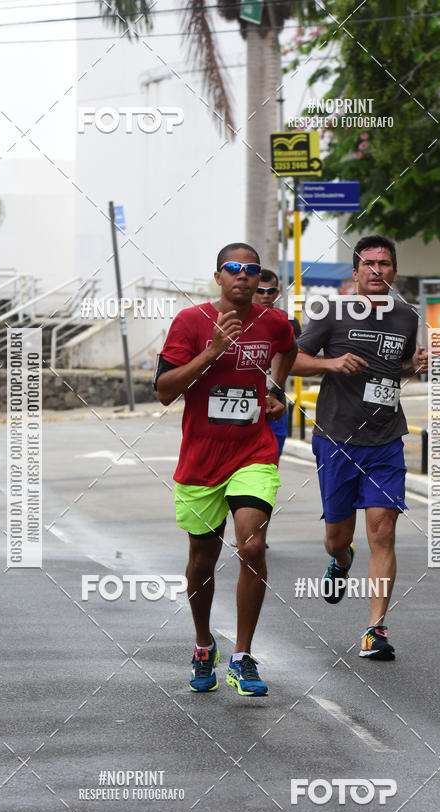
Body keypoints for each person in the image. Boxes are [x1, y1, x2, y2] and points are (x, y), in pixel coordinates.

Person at [155, 243, 297, 695]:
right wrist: (212, 351)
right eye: (233, 269)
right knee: (202, 561)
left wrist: (275, 390)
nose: (243, 276)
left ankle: (242, 655)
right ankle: (203, 644)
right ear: (218, 276)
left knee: (252, 545)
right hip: (201, 460)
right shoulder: (190, 322)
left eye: (251, 270)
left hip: (252, 451)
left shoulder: (273, 322)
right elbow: (163, 390)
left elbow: (288, 348)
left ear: (259, 281)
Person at [292, 235, 428, 660]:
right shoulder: (331, 313)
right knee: (338, 536)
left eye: (384, 264)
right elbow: (290, 359)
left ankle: (376, 629)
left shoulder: (406, 316)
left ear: (394, 271)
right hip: (337, 439)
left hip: (386, 438)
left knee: (383, 531)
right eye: (368, 264)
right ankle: (341, 559)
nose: (376, 271)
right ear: (354, 273)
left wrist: (415, 365)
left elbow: (397, 365)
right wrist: (329, 363)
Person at [253, 268, 301, 457]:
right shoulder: (236, 318)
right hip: (242, 403)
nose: (266, 296)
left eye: (271, 291)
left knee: (269, 465)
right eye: (260, 291)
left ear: (278, 291)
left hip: (275, 404)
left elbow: (298, 359)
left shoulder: (288, 322)